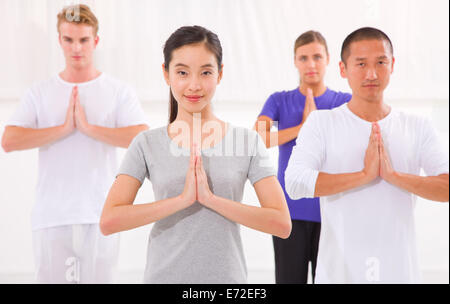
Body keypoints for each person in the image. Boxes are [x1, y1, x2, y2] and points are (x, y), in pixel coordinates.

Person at [100, 25, 292, 284]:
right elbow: (110, 220)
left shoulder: (247, 141)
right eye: (182, 72)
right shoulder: (146, 143)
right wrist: (181, 200)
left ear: (220, 74)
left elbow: (281, 223)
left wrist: (211, 199)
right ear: (166, 74)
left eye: (205, 72)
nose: (194, 85)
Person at [285, 27, 449, 283]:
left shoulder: (417, 126)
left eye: (380, 62)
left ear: (392, 65)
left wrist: (393, 176)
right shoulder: (321, 123)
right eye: (361, 64)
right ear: (343, 69)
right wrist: (363, 175)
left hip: (399, 273)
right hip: (339, 274)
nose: (371, 74)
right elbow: (294, 182)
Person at [1, 4, 149, 283]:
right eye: (68, 40)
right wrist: (64, 128)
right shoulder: (40, 92)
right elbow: (9, 140)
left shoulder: (117, 91)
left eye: (83, 40)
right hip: (52, 217)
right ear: (59, 40)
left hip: (100, 215)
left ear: (95, 41)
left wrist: (90, 128)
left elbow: (140, 135)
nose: (76, 48)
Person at [254, 31, 351, 284]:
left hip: (332, 211)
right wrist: (304, 126)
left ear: (328, 59)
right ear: (295, 61)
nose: (311, 64)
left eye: (317, 57)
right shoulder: (279, 100)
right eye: (304, 58)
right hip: (288, 212)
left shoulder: (344, 101)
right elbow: (259, 138)